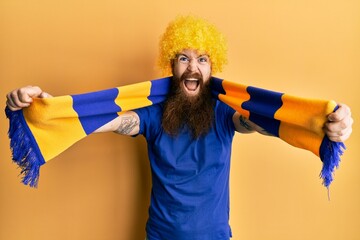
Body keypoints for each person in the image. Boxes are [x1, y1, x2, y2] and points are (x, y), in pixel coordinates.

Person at [6, 16, 353, 240]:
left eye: (202, 59)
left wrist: (324, 123)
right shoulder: (154, 115)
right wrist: (48, 109)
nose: (193, 67)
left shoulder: (224, 113)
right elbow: (110, 119)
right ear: (171, 66)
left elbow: (260, 122)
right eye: (183, 58)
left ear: (210, 69)